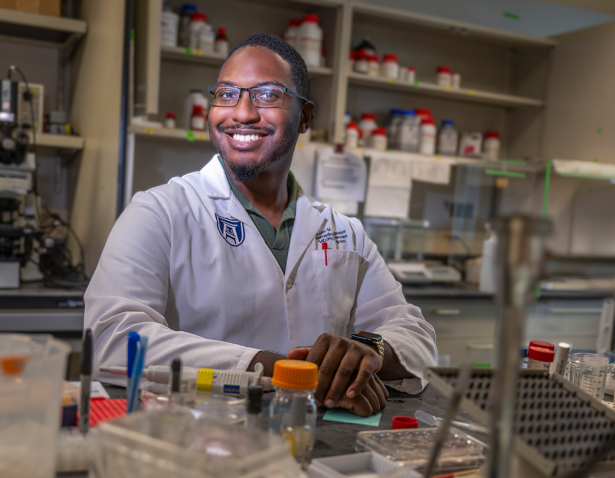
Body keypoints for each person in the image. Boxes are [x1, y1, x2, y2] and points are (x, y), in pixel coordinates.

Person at [85, 33, 437, 417]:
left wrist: (367, 350)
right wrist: (282, 371)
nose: (242, 113)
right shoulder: (159, 212)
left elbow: (414, 333)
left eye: (268, 94)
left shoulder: (343, 232)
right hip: (193, 439)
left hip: (317, 444)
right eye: (226, 94)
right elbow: (113, 338)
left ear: (304, 117)